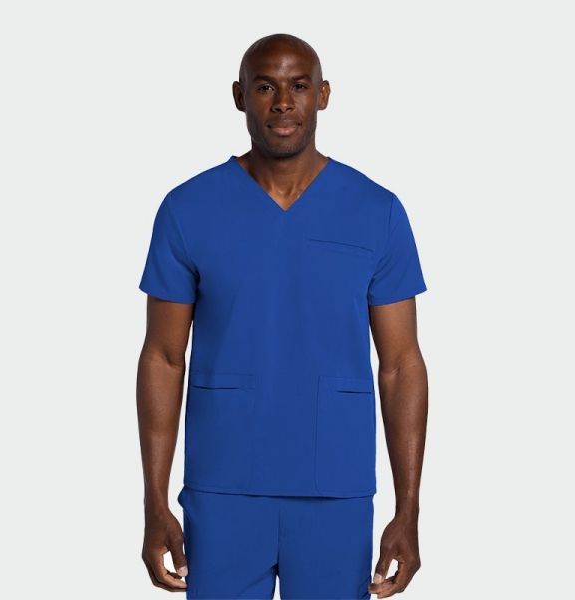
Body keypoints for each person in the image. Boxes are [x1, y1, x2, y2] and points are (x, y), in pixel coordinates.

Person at [137, 33, 428, 600]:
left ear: (323, 95)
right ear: (239, 96)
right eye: (266, 87)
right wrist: (154, 502)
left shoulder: (376, 211)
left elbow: (401, 365)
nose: (284, 103)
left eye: (299, 86)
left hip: (336, 486)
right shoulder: (188, 209)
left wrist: (409, 508)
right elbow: (163, 358)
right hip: (222, 487)